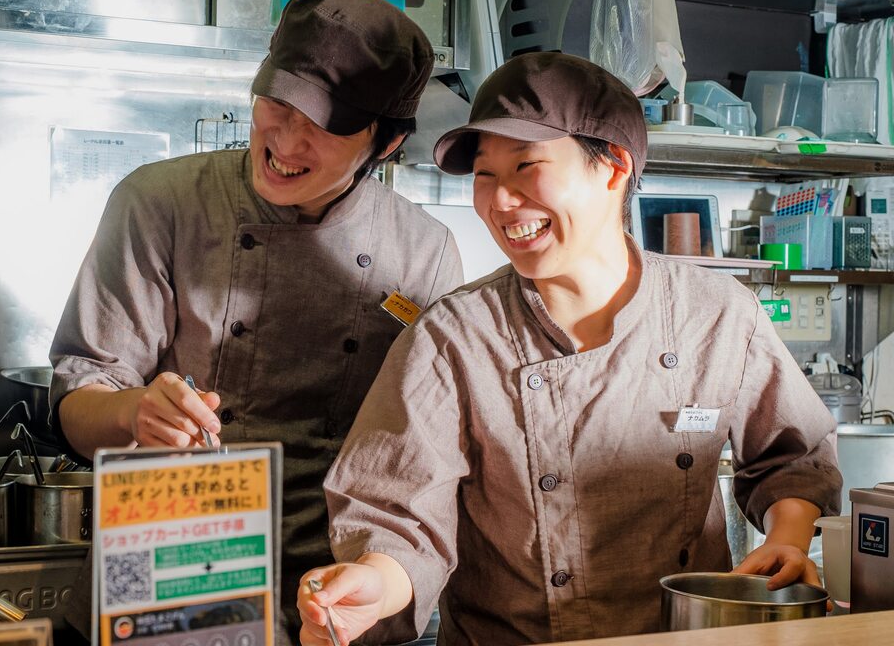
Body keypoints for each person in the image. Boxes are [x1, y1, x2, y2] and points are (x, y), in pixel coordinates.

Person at [297, 52, 842, 646]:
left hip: (684, 638)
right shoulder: (453, 336)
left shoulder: (713, 312)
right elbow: (396, 514)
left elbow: (792, 458)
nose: (500, 202)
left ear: (613, 170)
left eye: (526, 166)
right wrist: (375, 581)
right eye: (485, 175)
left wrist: (786, 539)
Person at [49, 0, 464, 639]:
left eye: (326, 124)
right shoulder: (161, 204)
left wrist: (386, 584)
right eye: (278, 102)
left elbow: (421, 463)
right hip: (169, 580)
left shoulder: (424, 253)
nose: (287, 140)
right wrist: (135, 413)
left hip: (333, 597)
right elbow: (78, 400)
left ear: (384, 145)